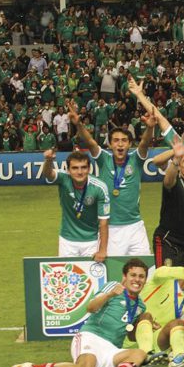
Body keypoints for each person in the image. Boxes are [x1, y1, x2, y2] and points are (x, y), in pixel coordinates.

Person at [10, 259, 153, 367]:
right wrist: (109, 295)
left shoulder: (140, 305)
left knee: (139, 353)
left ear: (145, 280)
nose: (137, 280)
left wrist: (145, 324)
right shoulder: (112, 287)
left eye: (141, 277)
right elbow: (91, 308)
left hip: (112, 348)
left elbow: (130, 335)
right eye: (133, 275)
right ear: (124, 276)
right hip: (91, 337)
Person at [69, 101, 153, 256]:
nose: (120, 144)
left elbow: (145, 143)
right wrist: (79, 125)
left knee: (145, 268)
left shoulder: (136, 159)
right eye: (116, 140)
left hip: (135, 225)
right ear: (110, 144)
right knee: (114, 270)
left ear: (129, 144)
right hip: (110, 227)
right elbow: (90, 142)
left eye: (124, 141)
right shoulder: (104, 160)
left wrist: (150, 127)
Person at [41, 149, 110, 261]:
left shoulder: (100, 187)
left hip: (91, 241)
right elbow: (48, 174)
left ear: (89, 169)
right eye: (75, 168)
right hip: (67, 241)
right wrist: (48, 160)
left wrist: (102, 250)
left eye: (83, 167)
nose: (79, 172)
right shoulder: (64, 179)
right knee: (67, 276)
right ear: (68, 170)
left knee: (90, 278)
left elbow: (104, 221)